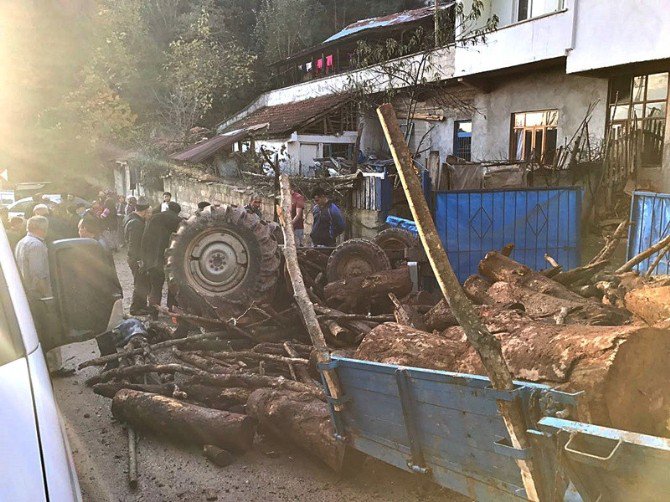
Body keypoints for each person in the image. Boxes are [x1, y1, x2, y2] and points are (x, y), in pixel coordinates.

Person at [15, 216, 69, 376]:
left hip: (29, 294)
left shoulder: (22, 242)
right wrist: (48, 296)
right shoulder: (36, 245)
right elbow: (39, 275)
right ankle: (55, 367)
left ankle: (46, 365)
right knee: (51, 330)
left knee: (39, 331)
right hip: (41, 296)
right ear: (42, 228)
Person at [141, 201, 182, 313]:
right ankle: (171, 310)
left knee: (155, 287)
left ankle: (153, 313)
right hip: (170, 260)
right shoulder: (179, 221)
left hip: (154, 259)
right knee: (172, 287)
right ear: (177, 212)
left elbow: (145, 239)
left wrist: (144, 258)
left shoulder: (154, 218)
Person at [124, 196, 151, 315]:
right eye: (148, 212)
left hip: (134, 258)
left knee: (142, 283)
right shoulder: (137, 224)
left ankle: (142, 306)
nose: (149, 215)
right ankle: (135, 308)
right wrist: (139, 260)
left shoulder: (131, 218)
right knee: (140, 283)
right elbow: (134, 245)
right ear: (144, 211)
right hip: (136, 259)